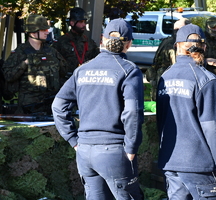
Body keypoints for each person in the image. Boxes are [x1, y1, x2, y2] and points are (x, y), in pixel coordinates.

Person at [52, 18, 144, 199]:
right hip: (114, 151)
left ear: (102, 40)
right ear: (129, 43)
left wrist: (74, 140)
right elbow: (132, 111)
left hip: (85, 151)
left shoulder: (82, 70)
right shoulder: (129, 70)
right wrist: (132, 147)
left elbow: (58, 105)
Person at [156, 24, 216, 199]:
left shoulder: (165, 77)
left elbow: (160, 122)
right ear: (204, 47)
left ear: (177, 46)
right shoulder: (207, 80)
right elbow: (213, 130)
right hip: (201, 167)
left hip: (171, 163)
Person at [2, 14, 67, 115]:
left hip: (51, 105)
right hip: (28, 107)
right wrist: (24, 64)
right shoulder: (20, 52)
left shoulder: (52, 51)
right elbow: (8, 75)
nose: (47, 32)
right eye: (43, 30)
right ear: (33, 32)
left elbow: (64, 73)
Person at [146, 18, 190, 101]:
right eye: (175, 29)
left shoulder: (167, 41)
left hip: (160, 82)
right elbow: (178, 67)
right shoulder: (175, 45)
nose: (176, 31)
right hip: (169, 85)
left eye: (179, 29)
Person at [52, 7, 99, 77]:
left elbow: (98, 60)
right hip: (67, 81)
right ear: (72, 23)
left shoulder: (89, 42)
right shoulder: (61, 42)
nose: (84, 25)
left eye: (84, 22)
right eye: (81, 22)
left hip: (85, 80)